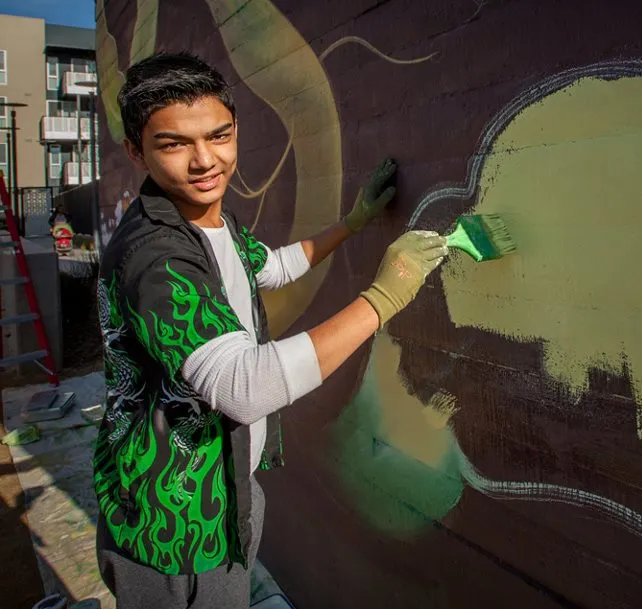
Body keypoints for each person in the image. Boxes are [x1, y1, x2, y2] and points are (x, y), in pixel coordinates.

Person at [92, 51, 448, 608]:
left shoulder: (212, 222)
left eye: (219, 135)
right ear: (136, 150)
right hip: (173, 522)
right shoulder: (155, 258)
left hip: (228, 488)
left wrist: (352, 224)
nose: (205, 160)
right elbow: (244, 388)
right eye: (174, 144)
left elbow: (271, 267)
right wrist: (383, 298)